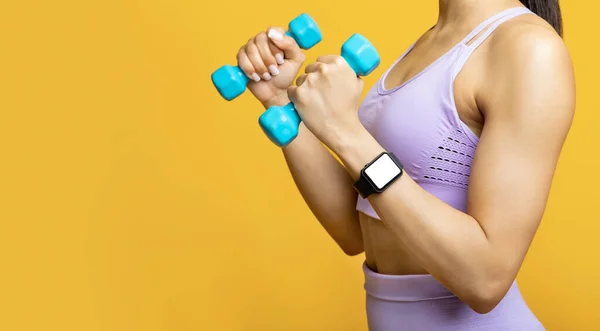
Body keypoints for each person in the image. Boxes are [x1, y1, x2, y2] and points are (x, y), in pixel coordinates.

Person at [235, 0, 574, 329]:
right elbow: (355, 232)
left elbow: (486, 281)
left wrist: (348, 134)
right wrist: (278, 101)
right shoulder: (432, 41)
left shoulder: (530, 47)